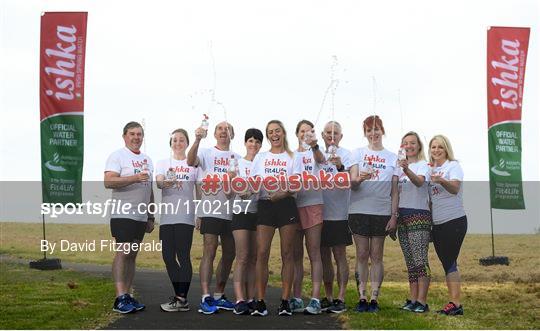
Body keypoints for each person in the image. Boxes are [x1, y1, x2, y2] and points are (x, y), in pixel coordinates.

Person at [187, 121, 240, 314]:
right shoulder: (206, 152)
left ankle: (219, 294)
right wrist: (197, 139)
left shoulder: (238, 158)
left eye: (227, 129)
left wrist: (235, 180)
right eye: (220, 128)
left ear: (232, 134)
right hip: (209, 209)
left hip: (231, 211)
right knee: (209, 250)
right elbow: (189, 160)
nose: (224, 131)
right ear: (215, 133)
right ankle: (205, 296)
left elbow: (241, 188)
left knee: (229, 253)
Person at [250, 120, 302, 316]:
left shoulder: (293, 156)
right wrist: (246, 191)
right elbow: (254, 184)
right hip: (265, 204)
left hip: (286, 204)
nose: (274, 134)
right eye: (270, 132)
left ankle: (285, 301)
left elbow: (296, 184)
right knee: (262, 252)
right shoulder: (261, 157)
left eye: (277, 131)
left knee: (287, 254)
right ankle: (261, 302)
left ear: (283, 133)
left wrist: (282, 194)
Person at [348, 115, 398, 313]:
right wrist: (359, 178)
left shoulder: (392, 157)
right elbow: (352, 184)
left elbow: (395, 190)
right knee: (361, 254)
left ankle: (374, 297)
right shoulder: (357, 153)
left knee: (376, 255)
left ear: (382, 131)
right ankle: (361, 296)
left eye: (376, 129)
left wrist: (394, 215)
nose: (373, 133)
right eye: (369, 130)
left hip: (381, 211)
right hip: (359, 209)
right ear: (365, 134)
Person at [104, 121, 155, 314]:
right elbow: (108, 181)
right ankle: (119, 297)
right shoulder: (117, 156)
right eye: (132, 134)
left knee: (132, 256)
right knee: (123, 252)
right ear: (125, 136)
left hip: (140, 216)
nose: (136, 137)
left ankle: (128, 295)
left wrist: (150, 215)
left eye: (139, 134)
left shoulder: (148, 159)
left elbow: (149, 189)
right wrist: (134, 178)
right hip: (122, 213)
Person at [156, 129, 199, 312]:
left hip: (185, 216)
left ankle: (181, 298)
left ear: (187, 143)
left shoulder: (194, 163)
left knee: (183, 256)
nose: (178, 143)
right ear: (170, 143)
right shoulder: (163, 162)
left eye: (182, 140)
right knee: (167, 257)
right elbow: (158, 181)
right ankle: (180, 297)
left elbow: (199, 191)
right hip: (166, 217)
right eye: (175, 140)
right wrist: (164, 183)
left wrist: (201, 214)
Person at [428, 134, 467, 316]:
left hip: (454, 221)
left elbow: (455, 188)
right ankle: (453, 302)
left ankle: (455, 304)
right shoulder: (429, 170)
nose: (436, 150)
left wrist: (441, 180)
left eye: (440, 147)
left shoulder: (453, 166)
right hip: (437, 224)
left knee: (450, 261)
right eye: (433, 147)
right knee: (447, 263)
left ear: (446, 149)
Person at [291, 120, 326, 315]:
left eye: (309, 131)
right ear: (297, 134)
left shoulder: (316, 152)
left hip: (313, 203)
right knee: (295, 255)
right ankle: (296, 297)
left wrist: (314, 146)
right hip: (294, 206)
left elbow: (321, 160)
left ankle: (315, 299)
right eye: (302, 131)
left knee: (314, 252)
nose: (305, 134)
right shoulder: (291, 155)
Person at [394, 131, 432, 313]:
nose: (408, 146)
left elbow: (419, 183)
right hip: (402, 216)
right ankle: (413, 299)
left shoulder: (423, 165)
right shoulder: (398, 167)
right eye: (405, 143)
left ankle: (422, 302)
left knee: (420, 260)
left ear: (418, 146)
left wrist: (406, 169)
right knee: (410, 261)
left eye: (412, 143)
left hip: (419, 215)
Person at [319, 121, 352, 314]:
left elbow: (351, 180)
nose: (332, 136)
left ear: (341, 136)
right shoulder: (316, 155)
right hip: (319, 213)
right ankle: (328, 296)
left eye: (336, 133)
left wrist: (340, 165)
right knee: (324, 257)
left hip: (339, 213)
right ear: (322, 135)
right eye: (328, 133)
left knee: (340, 256)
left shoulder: (347, 154)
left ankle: (341, 297)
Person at [231, 128, 263, 315]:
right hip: (240, 212)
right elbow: (230, 190)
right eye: (250, 141)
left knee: (254, 258)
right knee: (242, 256)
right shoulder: (237, 163)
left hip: (258, 213)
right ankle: (239, 299)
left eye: (258, 142)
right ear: (245, 143)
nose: (254, 144)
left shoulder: (262, 163)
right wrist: (237, 186)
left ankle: (251, 298)